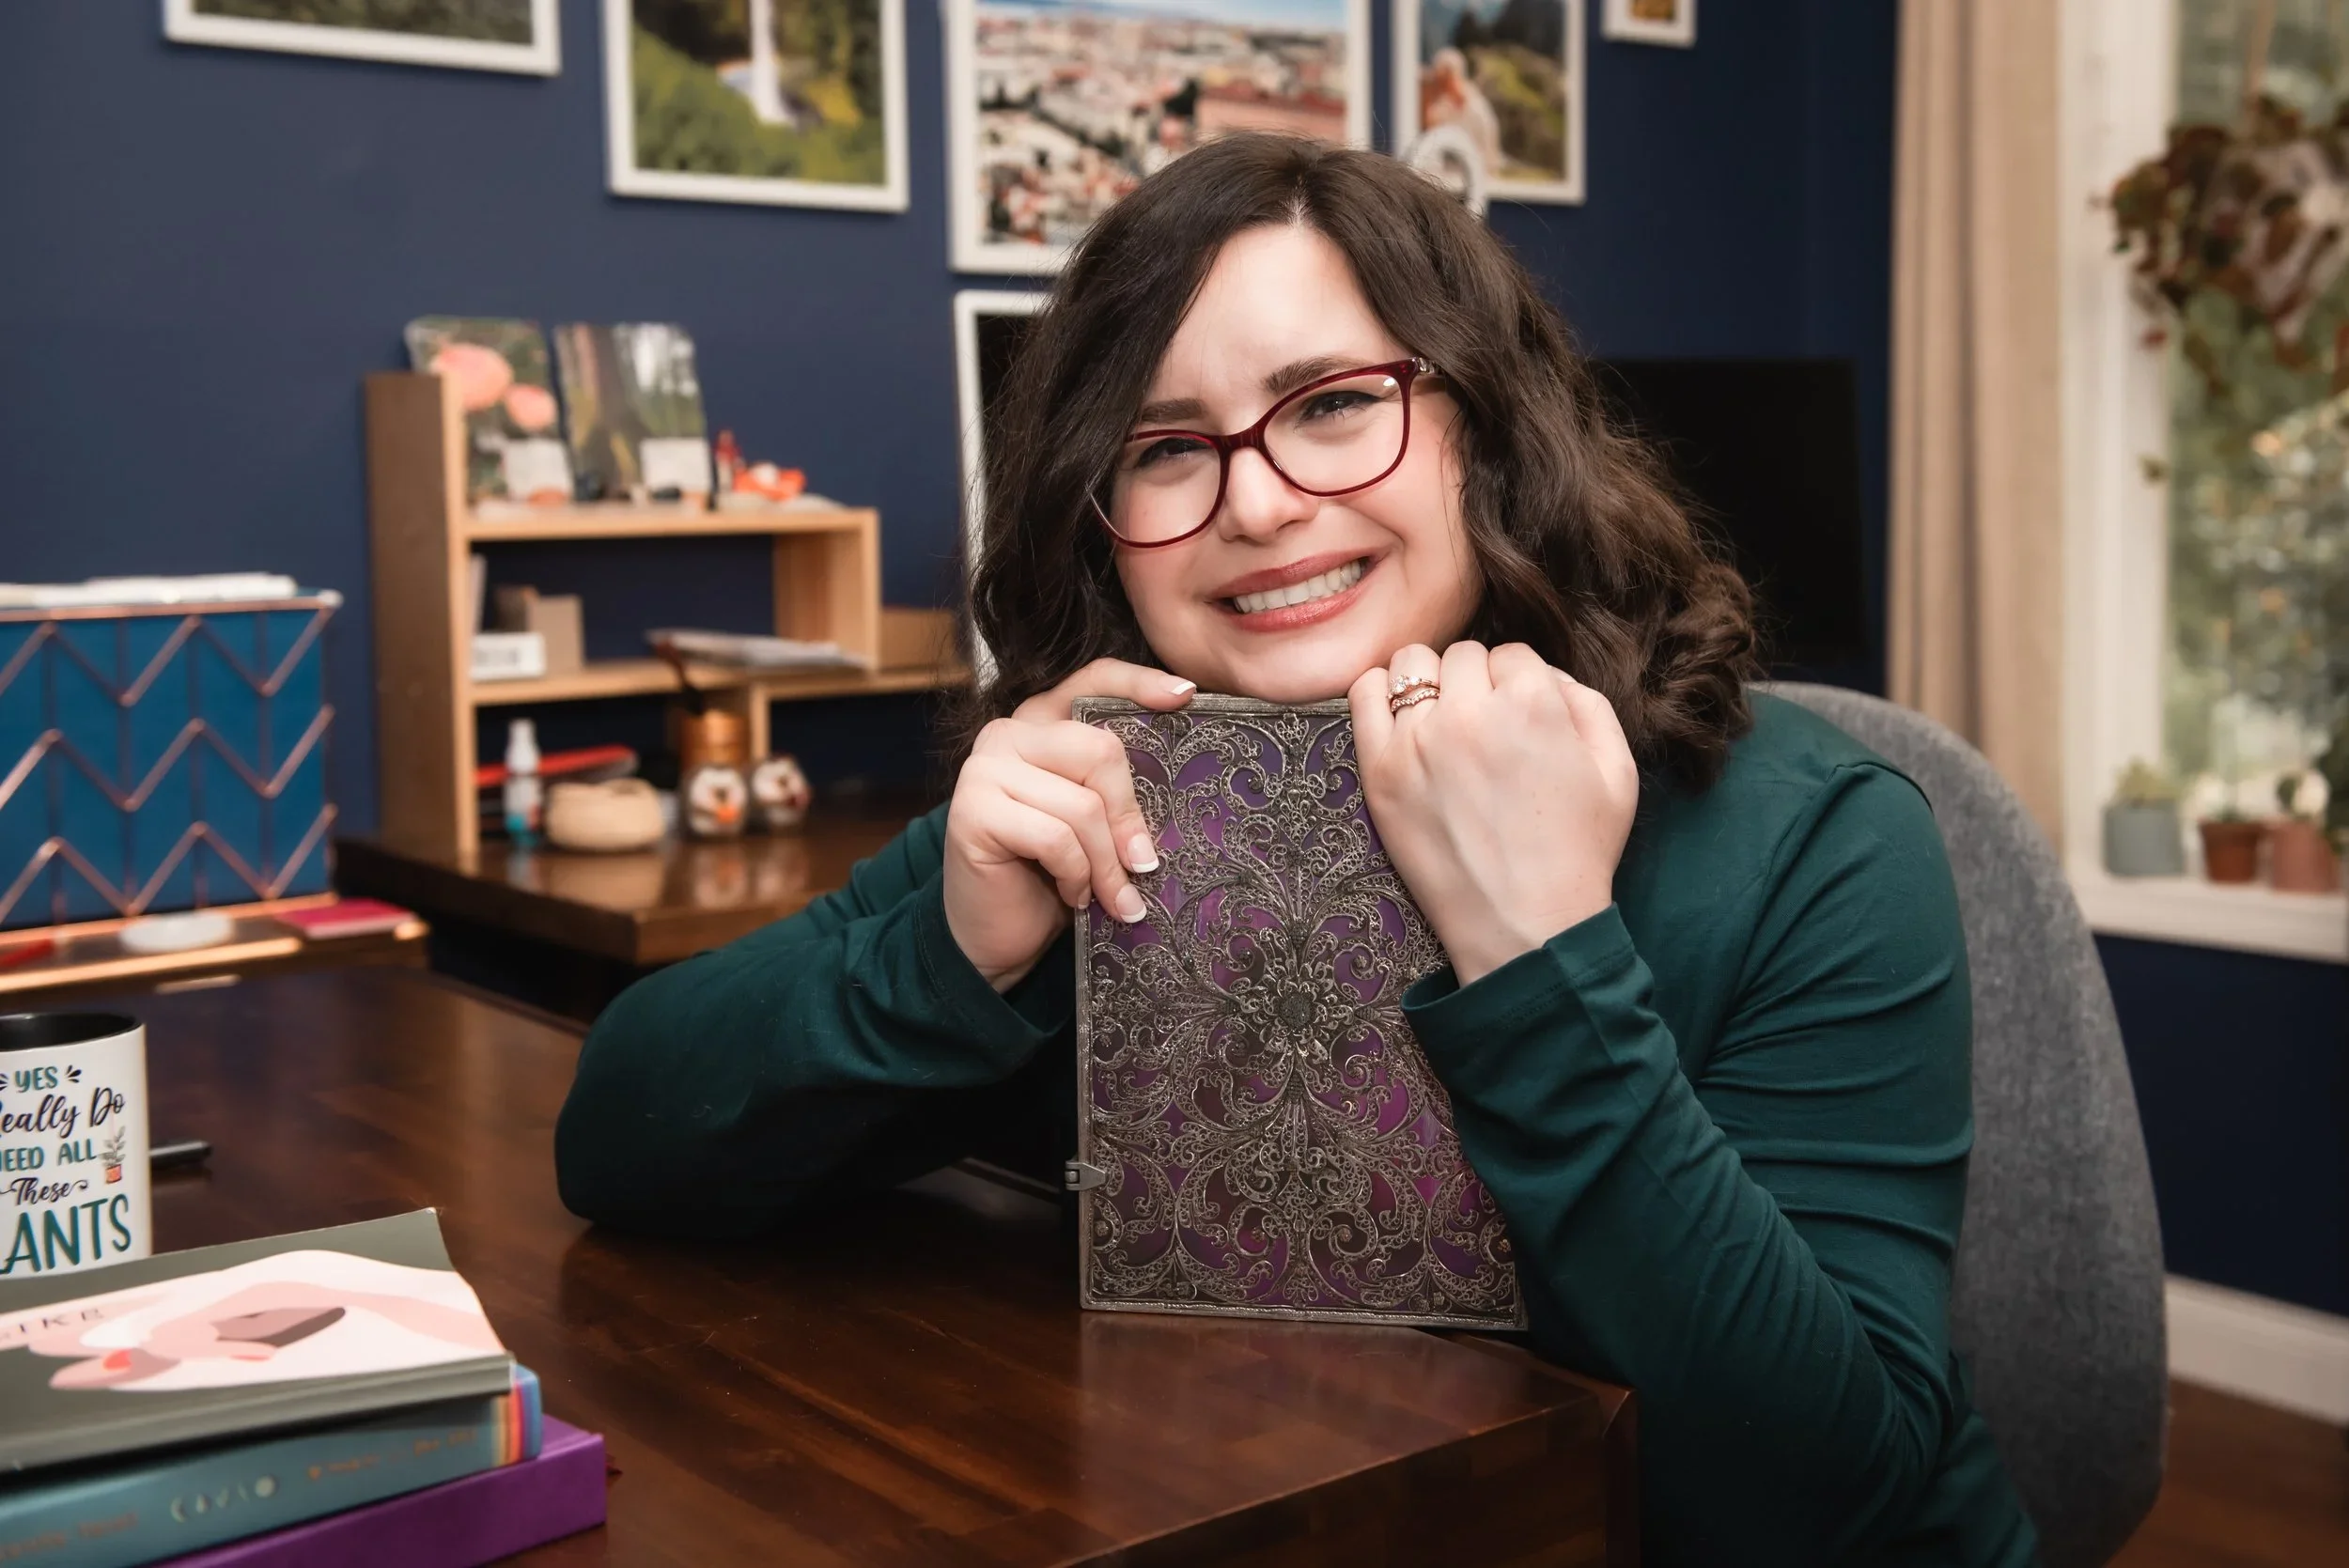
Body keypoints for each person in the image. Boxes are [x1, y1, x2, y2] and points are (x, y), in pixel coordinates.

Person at [555, 133, 2038, 1566]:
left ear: (1486, 425)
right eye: (1161, 448)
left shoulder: (1813, 835)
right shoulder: (1100, 779)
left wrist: (1541, 954)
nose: (1257, 503)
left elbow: (1825, 1507)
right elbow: (620, 1139)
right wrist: (940, 954)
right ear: (1100, 522)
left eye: (1331, 402)